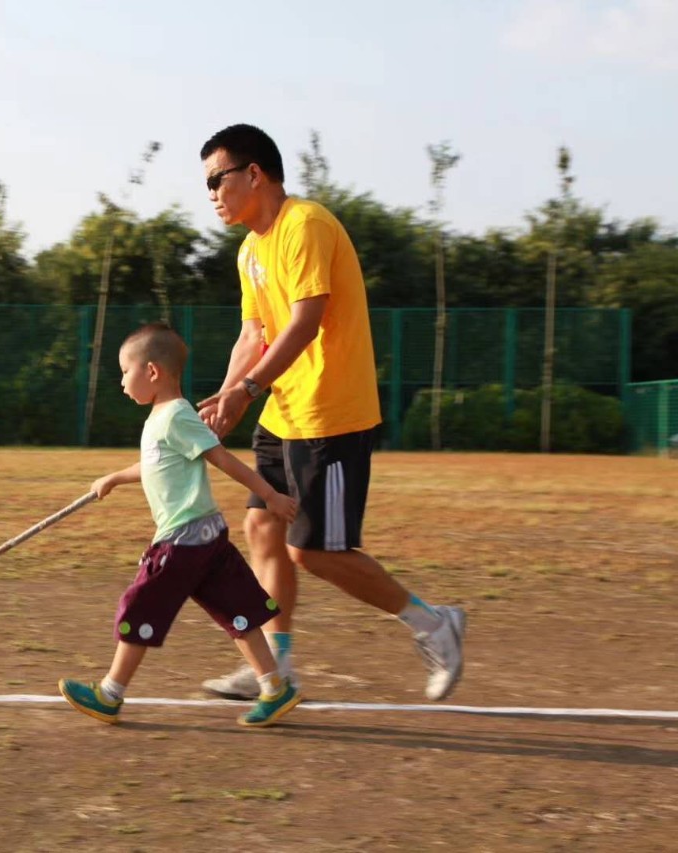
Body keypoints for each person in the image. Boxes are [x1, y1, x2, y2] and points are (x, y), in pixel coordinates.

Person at [194, 123, 466, 702]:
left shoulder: (305, 225)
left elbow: (305, 321)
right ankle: (278, 668)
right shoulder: (250, 251)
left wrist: (247, 389)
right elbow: (254, 333)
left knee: (315, 550)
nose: (212, 193)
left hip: (329, 413)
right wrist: (225, 396)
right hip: (283, 411)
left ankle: (435, 624)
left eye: (217, 179)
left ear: (255, 174)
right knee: (263, 525)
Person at [58, 323, 302, 728]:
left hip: (183, 542)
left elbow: (221, 458)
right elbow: (157, 465)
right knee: (239, 612)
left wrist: (271, 495)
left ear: (152, 372)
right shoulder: (163, 417)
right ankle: (275, 688)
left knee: (141, 607)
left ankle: (110, 694)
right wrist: (115, 478)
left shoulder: (174, 415)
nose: (121, 383)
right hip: (204, 539)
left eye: (125, 372)